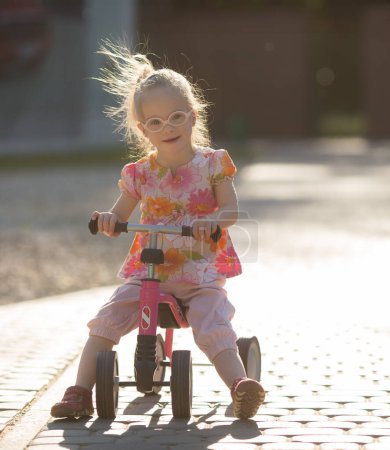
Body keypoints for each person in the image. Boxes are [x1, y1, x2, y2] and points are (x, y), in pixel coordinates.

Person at [50, 41, 265, 420]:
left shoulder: (213, 164)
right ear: (143, 130)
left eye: (176, 117)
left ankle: (240, 386)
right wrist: (107, 220)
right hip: (149, 273)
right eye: (155, 122)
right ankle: (80, 391)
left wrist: (212, 220)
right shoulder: (139, 173)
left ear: (193, 117)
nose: (167, 128)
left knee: (211, 322)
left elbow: (230, 209)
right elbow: (119, 218)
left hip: (200, 273)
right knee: (108, 318)